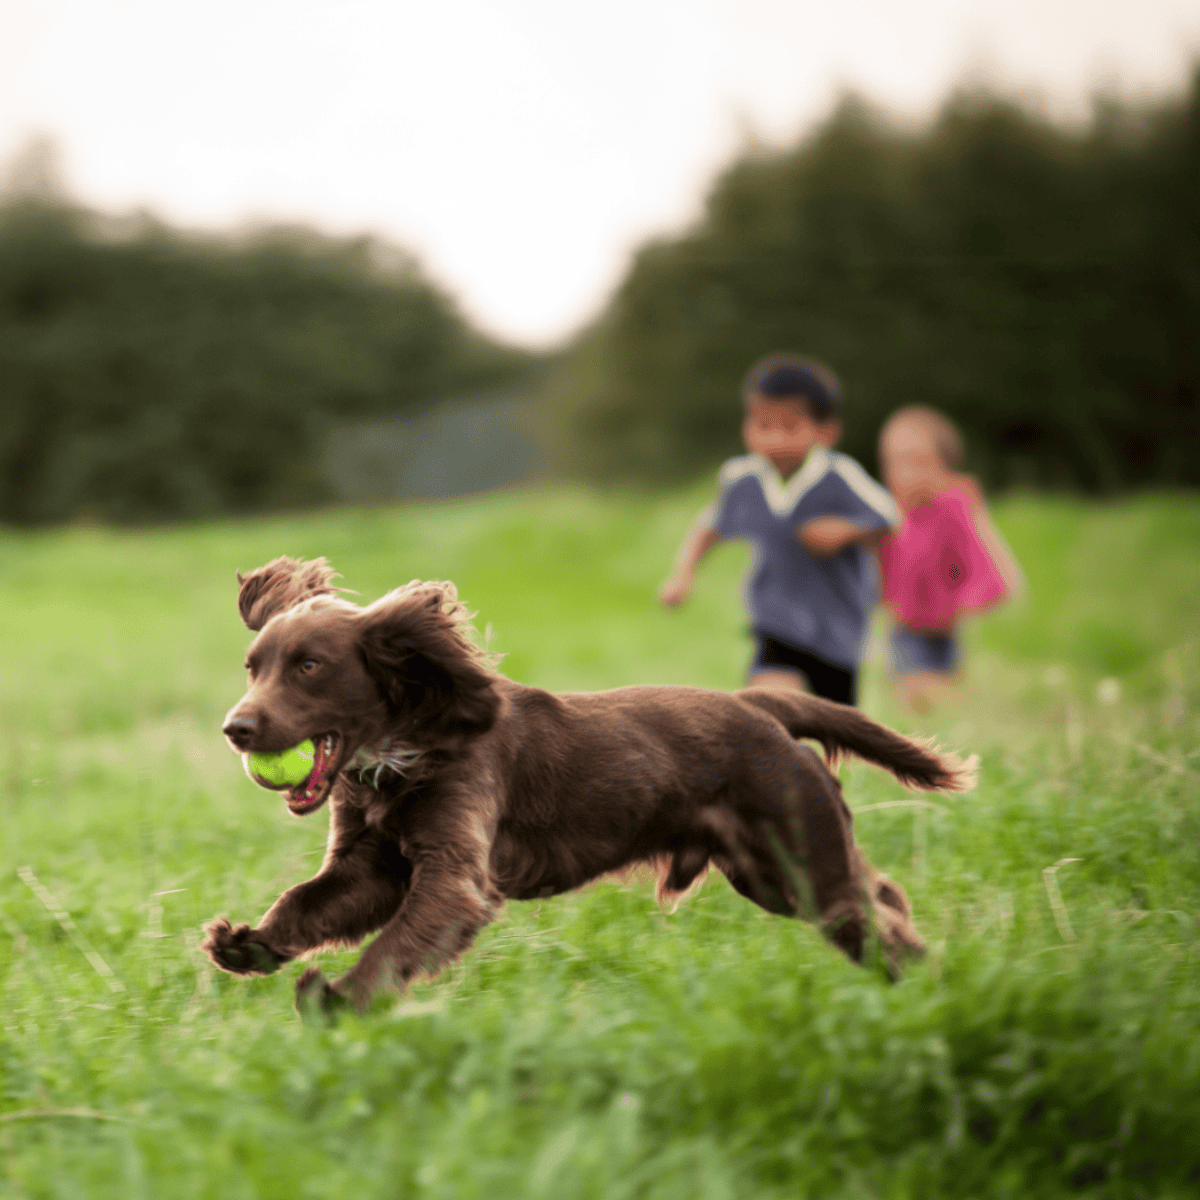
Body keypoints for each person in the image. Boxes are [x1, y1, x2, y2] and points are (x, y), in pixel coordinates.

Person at [659, 354, 899, 706]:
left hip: (838, 627)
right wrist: (682, 577)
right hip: (776, 621)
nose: (773, 440)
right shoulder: (743, 479)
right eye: (762, 425)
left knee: (834, 729)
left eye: (789, 427)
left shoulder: (839, 477)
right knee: (766, 706)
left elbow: (889, 519)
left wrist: (845, 532)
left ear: (826, 431)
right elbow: (709, 528)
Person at [876, 405, 1023, 712]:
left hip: (947, 628)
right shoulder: (887, 515)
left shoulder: (955, 505)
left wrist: (972, 597)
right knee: (915, 692)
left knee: (944, 700)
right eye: (894, 462)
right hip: (906, 628)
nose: (905, 474)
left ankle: (970, 704)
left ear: (946, 466)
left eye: (919, 461)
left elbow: (979, 559)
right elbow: (875, 569)